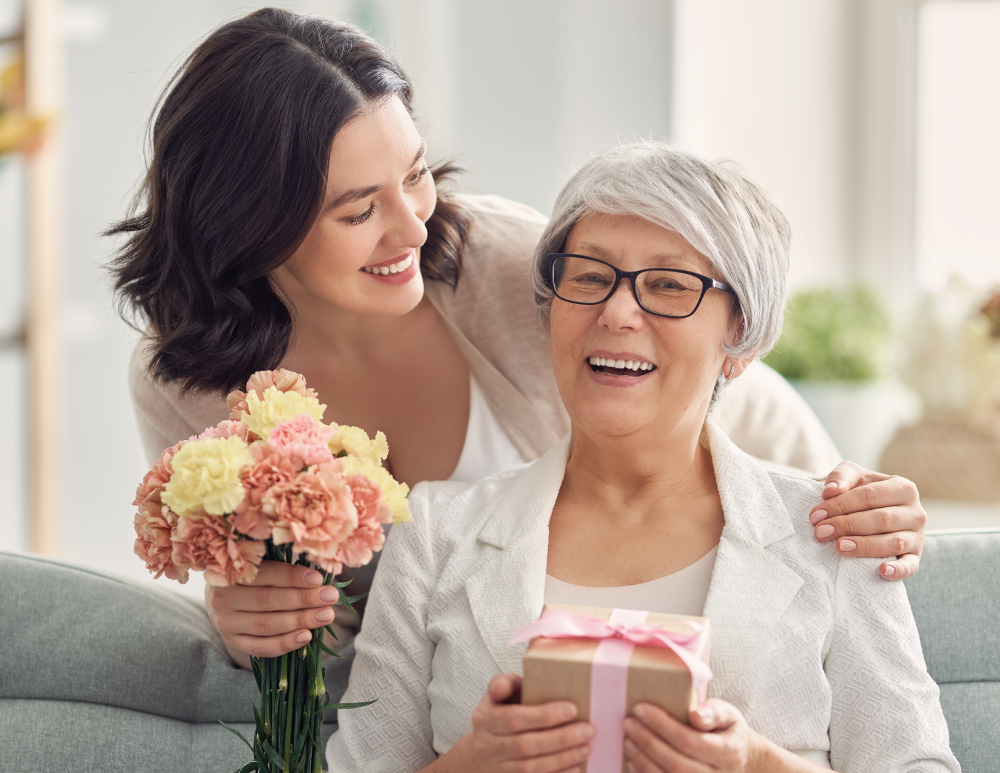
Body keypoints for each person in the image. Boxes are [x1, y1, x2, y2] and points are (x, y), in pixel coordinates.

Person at [110, 9, 927, 670]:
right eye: (358, 210)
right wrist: (248, 614)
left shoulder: (497, 261)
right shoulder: (185, 381)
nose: (410, 227)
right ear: (251, 223)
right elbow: (328, 656)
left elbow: (716, 377)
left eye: (415, 173)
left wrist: (841, 500)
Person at [328, 142, 958, 773]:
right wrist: (472, 765)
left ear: (740, 338)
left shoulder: (837, 536)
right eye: (590, 277)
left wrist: (758, 765)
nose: (618, 311)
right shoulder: (436, 534)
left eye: (668, 285)